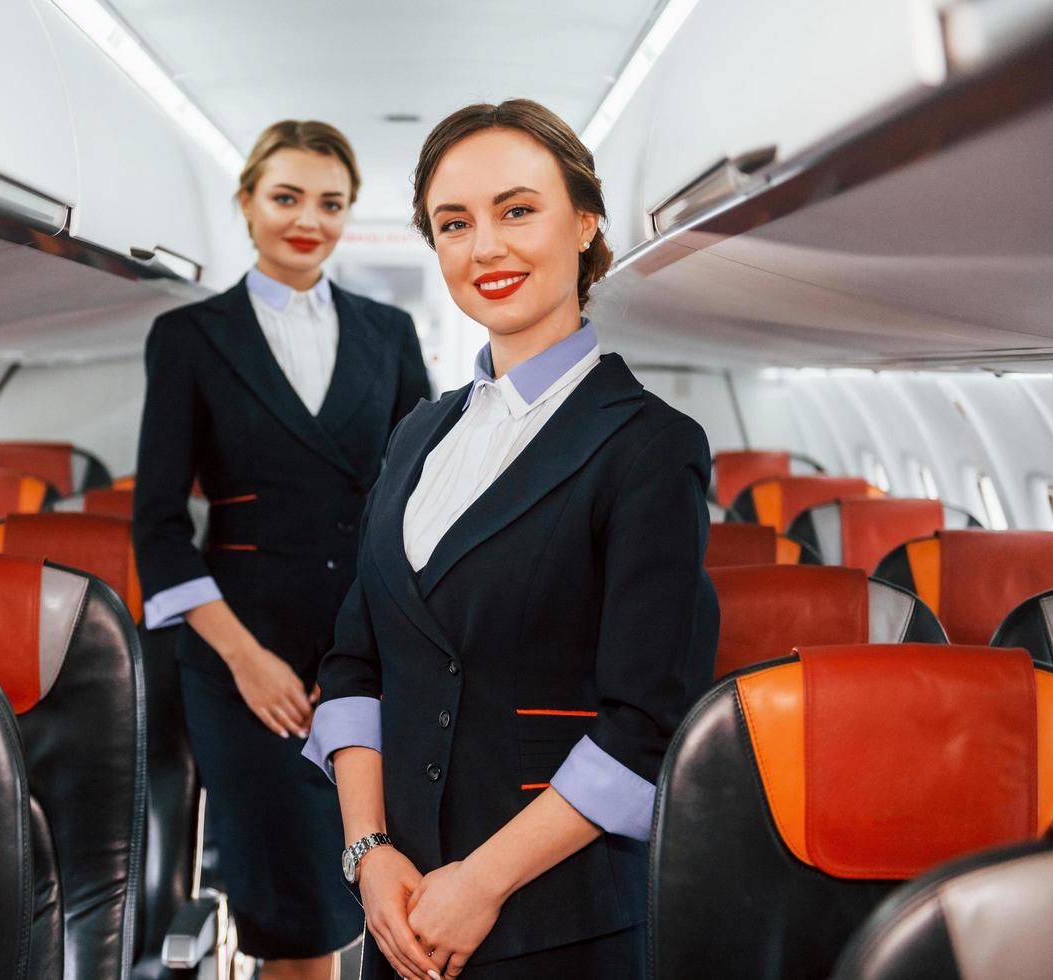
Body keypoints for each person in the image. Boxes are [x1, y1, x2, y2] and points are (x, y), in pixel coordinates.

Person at [302, 99, 719, 979]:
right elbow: (353, 663)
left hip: (555, 927)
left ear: (585, 221)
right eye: (455, 224)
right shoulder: (417, 433)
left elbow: (647, 721)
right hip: (401, 916)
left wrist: (481, 883)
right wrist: (369, 853)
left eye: (517, 210)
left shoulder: (651, 446)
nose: (485, 246)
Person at [133, 119, 432, 979]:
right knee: (293, 913)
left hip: (366, 646)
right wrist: (245, 661)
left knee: (382, 889)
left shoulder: (390, 332)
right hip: (243, 655)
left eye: (331, 203)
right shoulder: (191, 338)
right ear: (248, 203)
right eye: (288, 197)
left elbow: (414, 497)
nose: (309, 219)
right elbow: (157, 521)